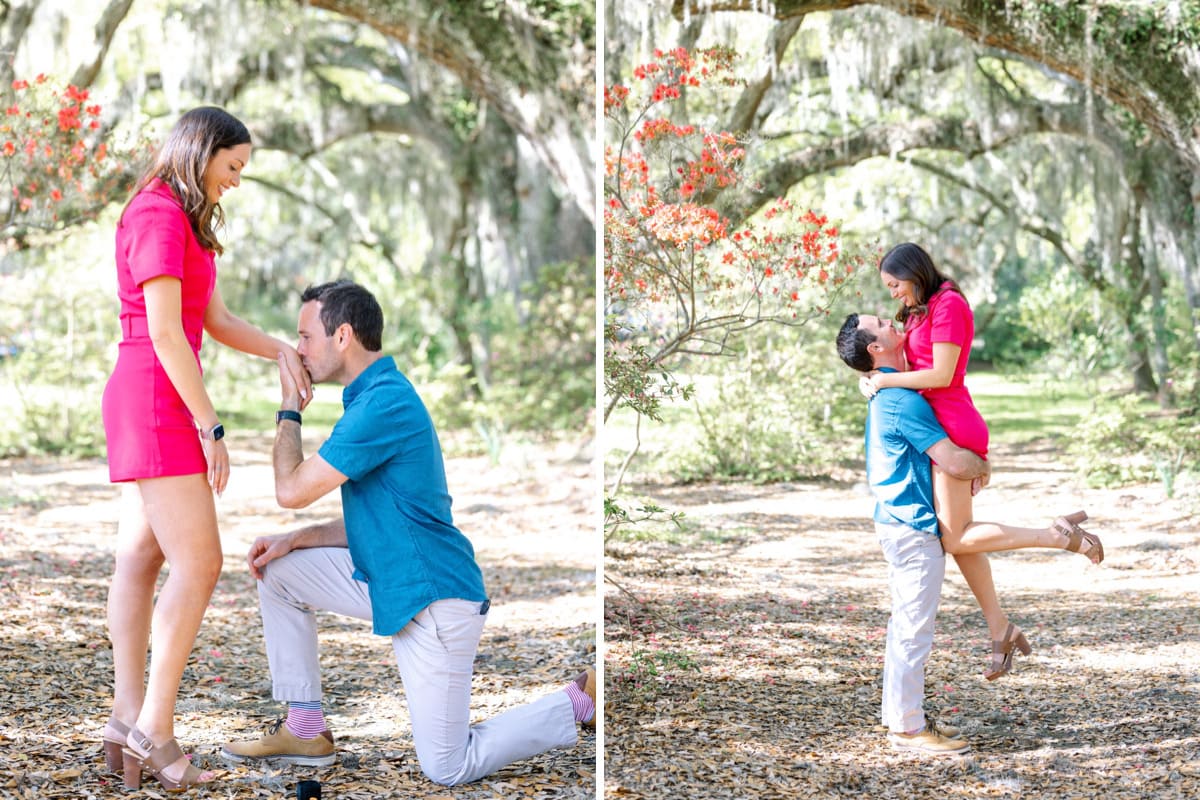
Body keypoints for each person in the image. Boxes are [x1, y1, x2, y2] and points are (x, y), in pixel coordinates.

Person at [219, 280, 595, 786]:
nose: (297, 349)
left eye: (305, 337)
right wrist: (297, 539)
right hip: (389, 579)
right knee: (279, 569)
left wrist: (289, 407)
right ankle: (304, 726)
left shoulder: (382, 406)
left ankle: (580, 698)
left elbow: (289, 489)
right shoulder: (371, 397)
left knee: (447, 765)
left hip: (434, 600)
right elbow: (383, 520)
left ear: (344, 336)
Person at [100, 107, 313, 791]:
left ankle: (124, 718)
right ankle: (152, 729)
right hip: (157, 399)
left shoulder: (180, 216)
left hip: (156, 394)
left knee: (142, 555)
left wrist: (280, 345)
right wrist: (210, 426)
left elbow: (211, 320)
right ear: (202, 152)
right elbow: (166, 334)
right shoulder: (158, 214)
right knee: (202, 561)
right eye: (233, 166)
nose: (238, 181)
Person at [861, 243, 1103, 679]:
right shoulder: (922, 306)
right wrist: (875, 379)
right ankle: (1000, 627)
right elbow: (903, 362)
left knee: (956, 540)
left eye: (895, 285)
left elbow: (941, 376)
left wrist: (886, 380)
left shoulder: (948, 305)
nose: (893, 294)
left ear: (914, 274)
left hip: (953, 423)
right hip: (939, 424)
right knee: (960, 537)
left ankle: (1056, 536)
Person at [836, 312, 989, 754]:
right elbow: (956, 462)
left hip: (898, 523)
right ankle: (907, 729)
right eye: (882, 322)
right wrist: (984, 466)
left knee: (905, 625)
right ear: (875, 349)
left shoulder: (893, 393)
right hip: (911, 528)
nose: (893, 320)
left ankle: (903, 717)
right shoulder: (902, 401)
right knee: (912, 630)